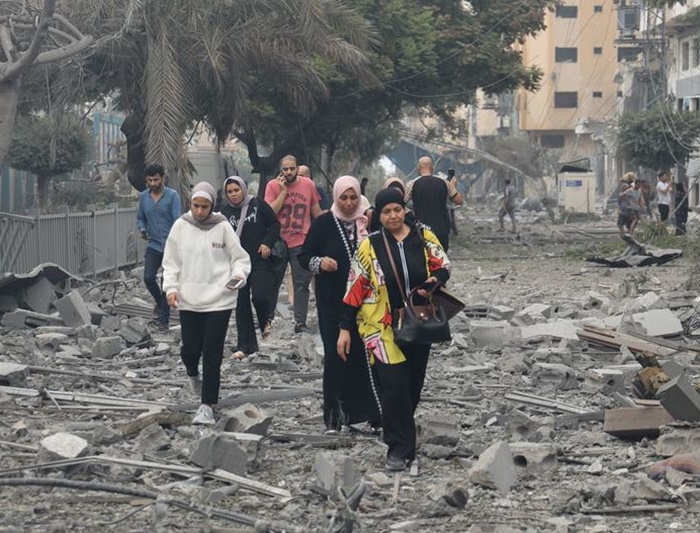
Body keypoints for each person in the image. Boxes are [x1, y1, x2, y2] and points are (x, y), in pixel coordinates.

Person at [337, 188, 451, 472]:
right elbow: (355, 288)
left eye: (397, 210)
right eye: (386, 212)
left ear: (405, 210)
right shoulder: (370, 245)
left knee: (412, 387)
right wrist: (344, 328)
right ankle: (399, 450)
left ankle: (400, 433)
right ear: (378, 214)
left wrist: (430, 284)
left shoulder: (423, 237)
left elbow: (443, 265)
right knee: (393, 386)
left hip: (418, 322)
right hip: (380, 327)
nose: (392, 216)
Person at [162, 182, 251, 425]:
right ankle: (192, 372)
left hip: (219, 300)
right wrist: (170, 288)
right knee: (190, 349)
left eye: (205, 206)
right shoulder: (181, 226)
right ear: (190, 204)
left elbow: (240, 259)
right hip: (189, 299)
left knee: (212, 352)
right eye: (196, 206)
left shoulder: (222, 226)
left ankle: (207, 405)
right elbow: (171, 262)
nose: (200, 211)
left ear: (212, 205)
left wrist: (238, 277)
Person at [300, 176, 381, 434]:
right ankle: (334, 419)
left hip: (366, 306)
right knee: (336, 358)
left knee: (366, 357)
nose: (348, 203)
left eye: (353, 197)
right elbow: (304, 256)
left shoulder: (366, 224)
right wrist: (319, 263)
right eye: (343, 198)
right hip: (332, 304)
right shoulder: (324, 223)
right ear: (335, 197)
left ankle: (370, 414)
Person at [220, 176, 281, 359]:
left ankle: (264, 321)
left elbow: (275, 225)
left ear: (243, 189)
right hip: (237, 265)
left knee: (260, 296)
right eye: (230, 191)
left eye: (236, 190)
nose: (234, 195)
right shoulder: (224, 213)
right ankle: (245, 347)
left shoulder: (258, 205)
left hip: (259, 260)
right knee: (241, 305)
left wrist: (267, 243)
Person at [265, 155, 322, 333]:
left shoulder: (308, 185)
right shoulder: (272, 186)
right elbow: (269, 213)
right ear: (280, 170)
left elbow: (316, 213)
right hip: (279, 242)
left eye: (292, 168)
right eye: (285, 169)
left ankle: (300, 322)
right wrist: (282, 192)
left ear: (297, 168)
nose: (289, 172)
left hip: (302, 241)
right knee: (273, 282)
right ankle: (267, 320)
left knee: (301, 284)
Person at [136, 164, 181, 330]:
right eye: (150, 180)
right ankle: (161, 305)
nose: (153, 183)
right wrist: (141, 228)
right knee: (148, 277)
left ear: (162, 178)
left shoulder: (172, 196)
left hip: (171, 246)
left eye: (156, 179)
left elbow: (178, 220)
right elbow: (140, 218)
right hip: (154, 244)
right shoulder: (143, 197)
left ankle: (164, 321)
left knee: (166, 283)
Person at [404, 156, 463, 251]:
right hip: (441, 231)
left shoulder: (412, 184)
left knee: (424, 260)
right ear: (433, 167)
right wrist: (453, 186)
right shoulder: (444, 182)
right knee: (441, 260)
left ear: (418, 168)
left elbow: (401, 204)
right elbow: (459, 201)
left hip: (421, 231)